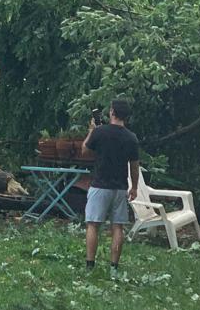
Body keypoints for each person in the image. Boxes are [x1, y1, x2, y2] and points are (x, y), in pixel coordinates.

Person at [82, 99, 140, 272]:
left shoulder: (100, 132)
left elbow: (84, 150)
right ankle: (114, 266)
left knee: (93, 224)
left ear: (112, 112)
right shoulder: (131, 137)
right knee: (118, 227)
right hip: (120, 187)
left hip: (99, 185)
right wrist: (134, 187)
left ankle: (90, 265)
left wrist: (91, 131)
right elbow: (134, 165)